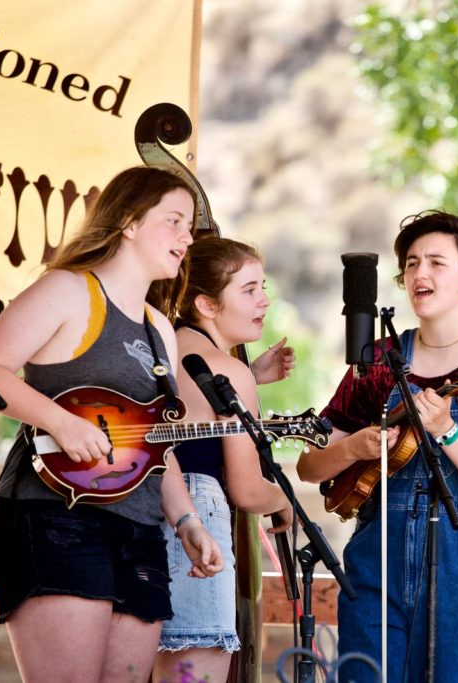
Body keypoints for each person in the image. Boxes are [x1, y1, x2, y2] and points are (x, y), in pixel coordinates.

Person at [0, 166, 224, 682]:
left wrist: (189, 522)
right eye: (173, 220)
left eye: (189, 225)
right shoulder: (69, 289)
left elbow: (157, 444)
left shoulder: (160, 330)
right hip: (54, 515)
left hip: (141, 527)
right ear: (129, 222)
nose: (186, 237)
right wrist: (61, 422)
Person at [296, 211, 458, 682]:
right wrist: (353, 448)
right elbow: (310, 467)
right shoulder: (377, 360)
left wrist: (448, 432)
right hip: (380, 562)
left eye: (436, 262)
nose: (420, 274)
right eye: (412, 264)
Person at [152, 236, 295, 683]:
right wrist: (285, 500)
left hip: (146, 512)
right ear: (207, 305)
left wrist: (251, 377)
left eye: (263, 287)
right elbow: (247, 489)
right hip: (196, 515)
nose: (265, 301)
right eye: (249, 290)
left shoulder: (162, 348)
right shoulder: (226, 370)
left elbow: (187, 419)